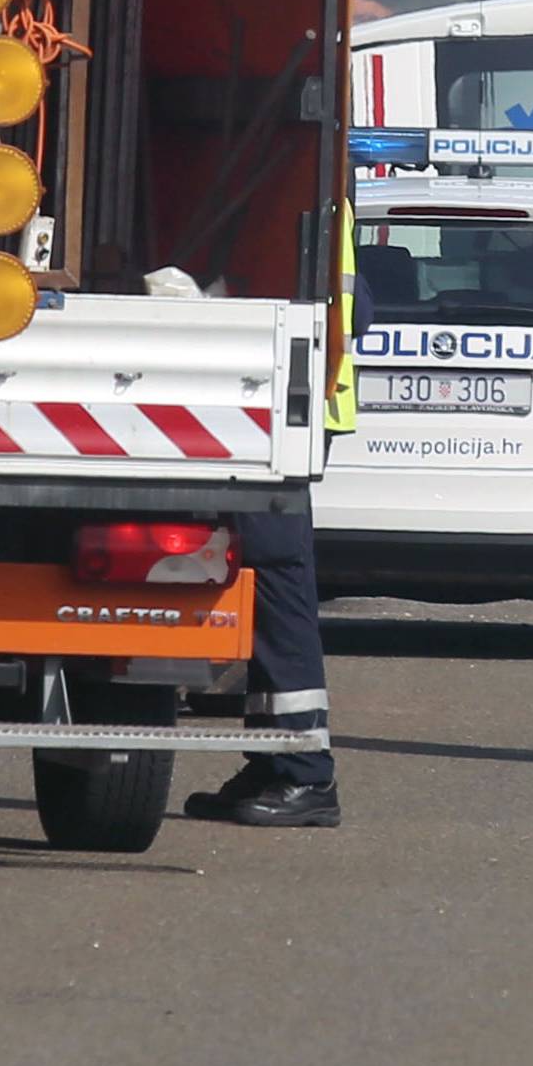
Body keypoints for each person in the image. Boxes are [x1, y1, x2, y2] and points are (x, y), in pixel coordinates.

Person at [185, 206, 366, 827]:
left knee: (277, 588)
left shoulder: (305, 202)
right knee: (269, 594)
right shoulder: (317, 196)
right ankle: (275, 761)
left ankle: (303, 774)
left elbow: (349, 311)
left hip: (277, 423)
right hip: (278, 418)